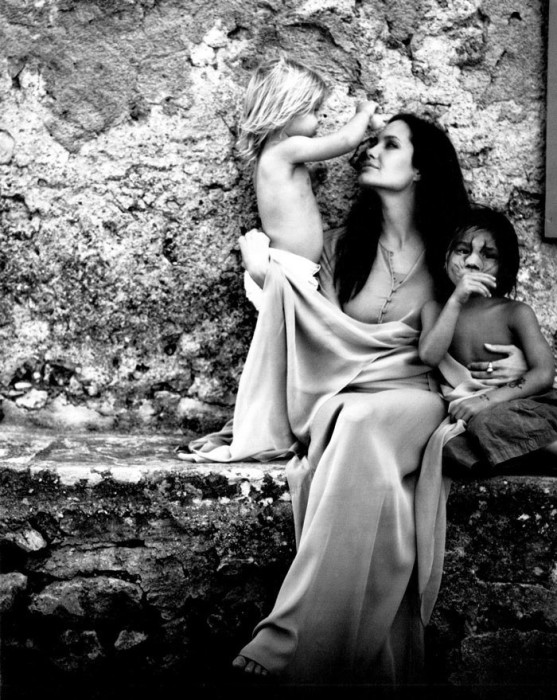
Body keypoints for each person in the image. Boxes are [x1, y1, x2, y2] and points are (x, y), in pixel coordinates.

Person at [185, 113, 527, 686]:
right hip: (343, 397)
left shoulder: (453, 250)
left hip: (418, 397)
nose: (370, 151)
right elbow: (310, 328)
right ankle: (358, 660)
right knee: (357, 435)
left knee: (361, 421)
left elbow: (490, 316)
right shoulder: (342, 246)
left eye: (389, 144)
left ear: (420, 169)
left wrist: (510, 363)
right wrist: (266, 273)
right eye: (371, 142)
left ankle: (287, 634)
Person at [419, 207, 557, 474]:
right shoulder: (434, 310)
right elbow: (429, 356)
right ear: (445, 257)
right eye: (462, 250)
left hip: (520, 409)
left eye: (488, 254)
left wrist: (486, 401)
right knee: (445, 447)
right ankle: (531, 454)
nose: (472, 262)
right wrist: (455, 301)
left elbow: (543, 373)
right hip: (468, 419)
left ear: (504, 267)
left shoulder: (514, 312)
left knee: (489, 422)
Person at [236, 55, 381, 309]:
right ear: (287, 111)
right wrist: (363, 113)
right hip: (287, 270)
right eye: (313, 111)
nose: (319, 119)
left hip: (290, 268)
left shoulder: (272, 155)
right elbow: (346, 141)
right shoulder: (286, 148)